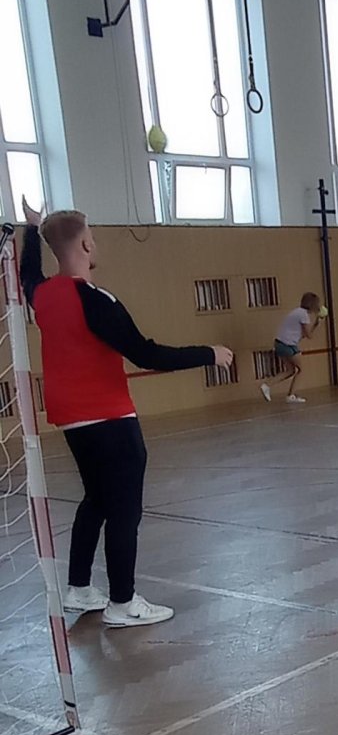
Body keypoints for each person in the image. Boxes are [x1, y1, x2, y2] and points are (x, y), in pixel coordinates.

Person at [19, 201, 231, 627]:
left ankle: (79, 589)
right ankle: (122, 602)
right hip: (111, 420)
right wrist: (209, 353)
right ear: (85, 244)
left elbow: (29, 275)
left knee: (96, 500)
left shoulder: (42, 296)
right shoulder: (95, 300)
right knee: (123, 511)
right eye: (92, 237)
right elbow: (145, 353)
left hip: (72, 420)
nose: (95, 243)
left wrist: (32, 231)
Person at [261, 291, 321, 403]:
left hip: (279, 343)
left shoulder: (296, 312)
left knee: (290, 370)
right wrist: (317, 323)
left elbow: (303, 334)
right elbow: (309, 335)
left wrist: (316, 324)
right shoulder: (303, 315)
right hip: (288, 344)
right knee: (301, 369)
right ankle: (291, 395)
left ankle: (267, 385)